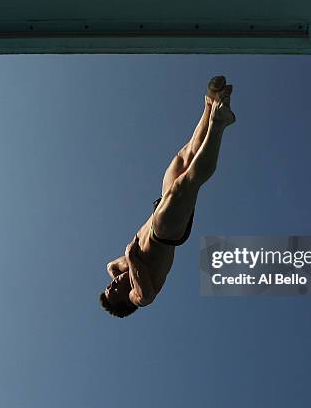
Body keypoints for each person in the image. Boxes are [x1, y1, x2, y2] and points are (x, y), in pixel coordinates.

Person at [99, 76, 237, 318]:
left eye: (108, 287)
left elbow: (110, 266)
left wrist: (127, 265)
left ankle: (210, 103)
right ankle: (219, 122)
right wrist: (132, 261)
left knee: (182, 158)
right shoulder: (137, 296)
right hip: (165, 233)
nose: (111, 285)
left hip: (158, 209)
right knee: (187, 181)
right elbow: (145, 297)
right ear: (125, 299)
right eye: (114, 291)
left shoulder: (124, 268)